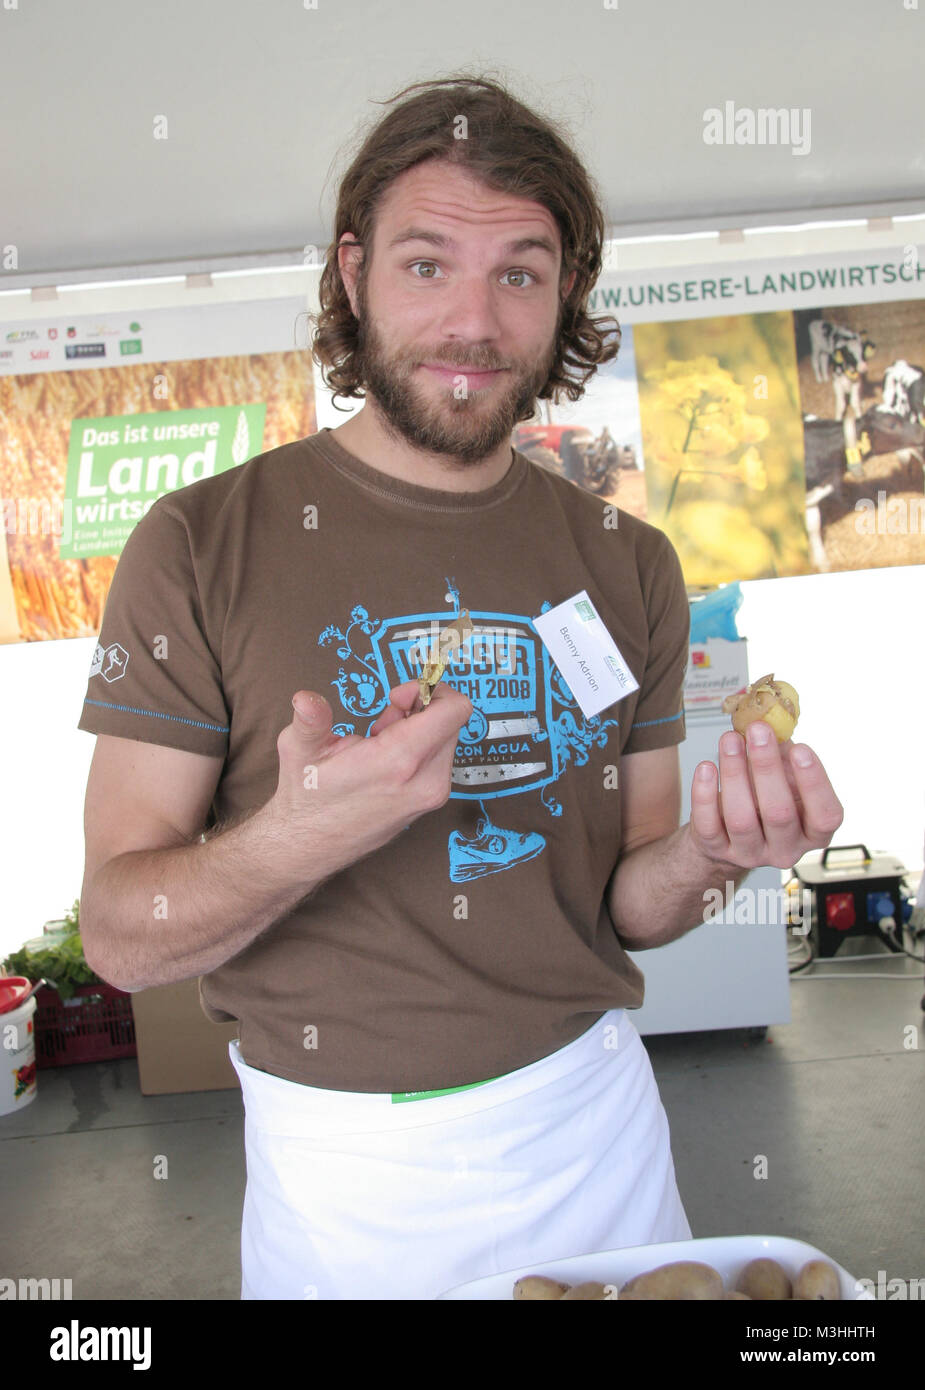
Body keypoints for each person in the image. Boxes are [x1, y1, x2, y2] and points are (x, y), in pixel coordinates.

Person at [77, 74, 845, 1300]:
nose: (474, 322)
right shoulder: (199, 541)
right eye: (427, 264)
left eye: (521, 272)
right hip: (342, 1172)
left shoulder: (625, 560)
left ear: (565, 296)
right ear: (351, 271)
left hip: (594, 1130)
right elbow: (119, 934)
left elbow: (632, 903)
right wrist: (297, 837)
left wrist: (712, 851)